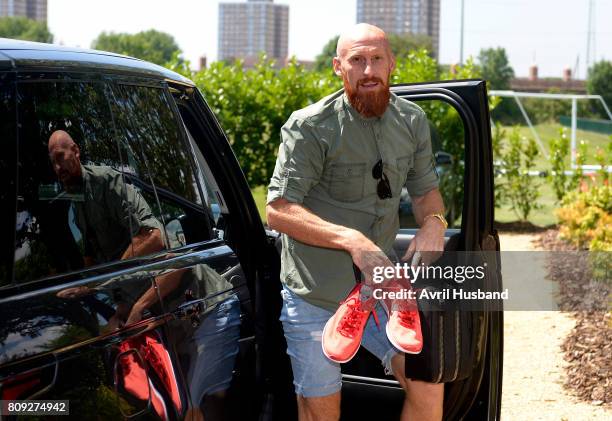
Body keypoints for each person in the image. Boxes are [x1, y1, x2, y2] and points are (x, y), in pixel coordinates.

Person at [266, 24, 446, 421]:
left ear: (391, 64)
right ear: (338, 67)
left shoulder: (412, 121)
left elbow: (424, 192)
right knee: (321, 412)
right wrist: (353, 240)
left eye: (376, 59)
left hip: (377, 291)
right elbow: (278, 210)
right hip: (315, 294)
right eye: (357, 60)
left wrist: (433, 221)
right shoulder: (310, 126)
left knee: (429, 386)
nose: (368, 70)